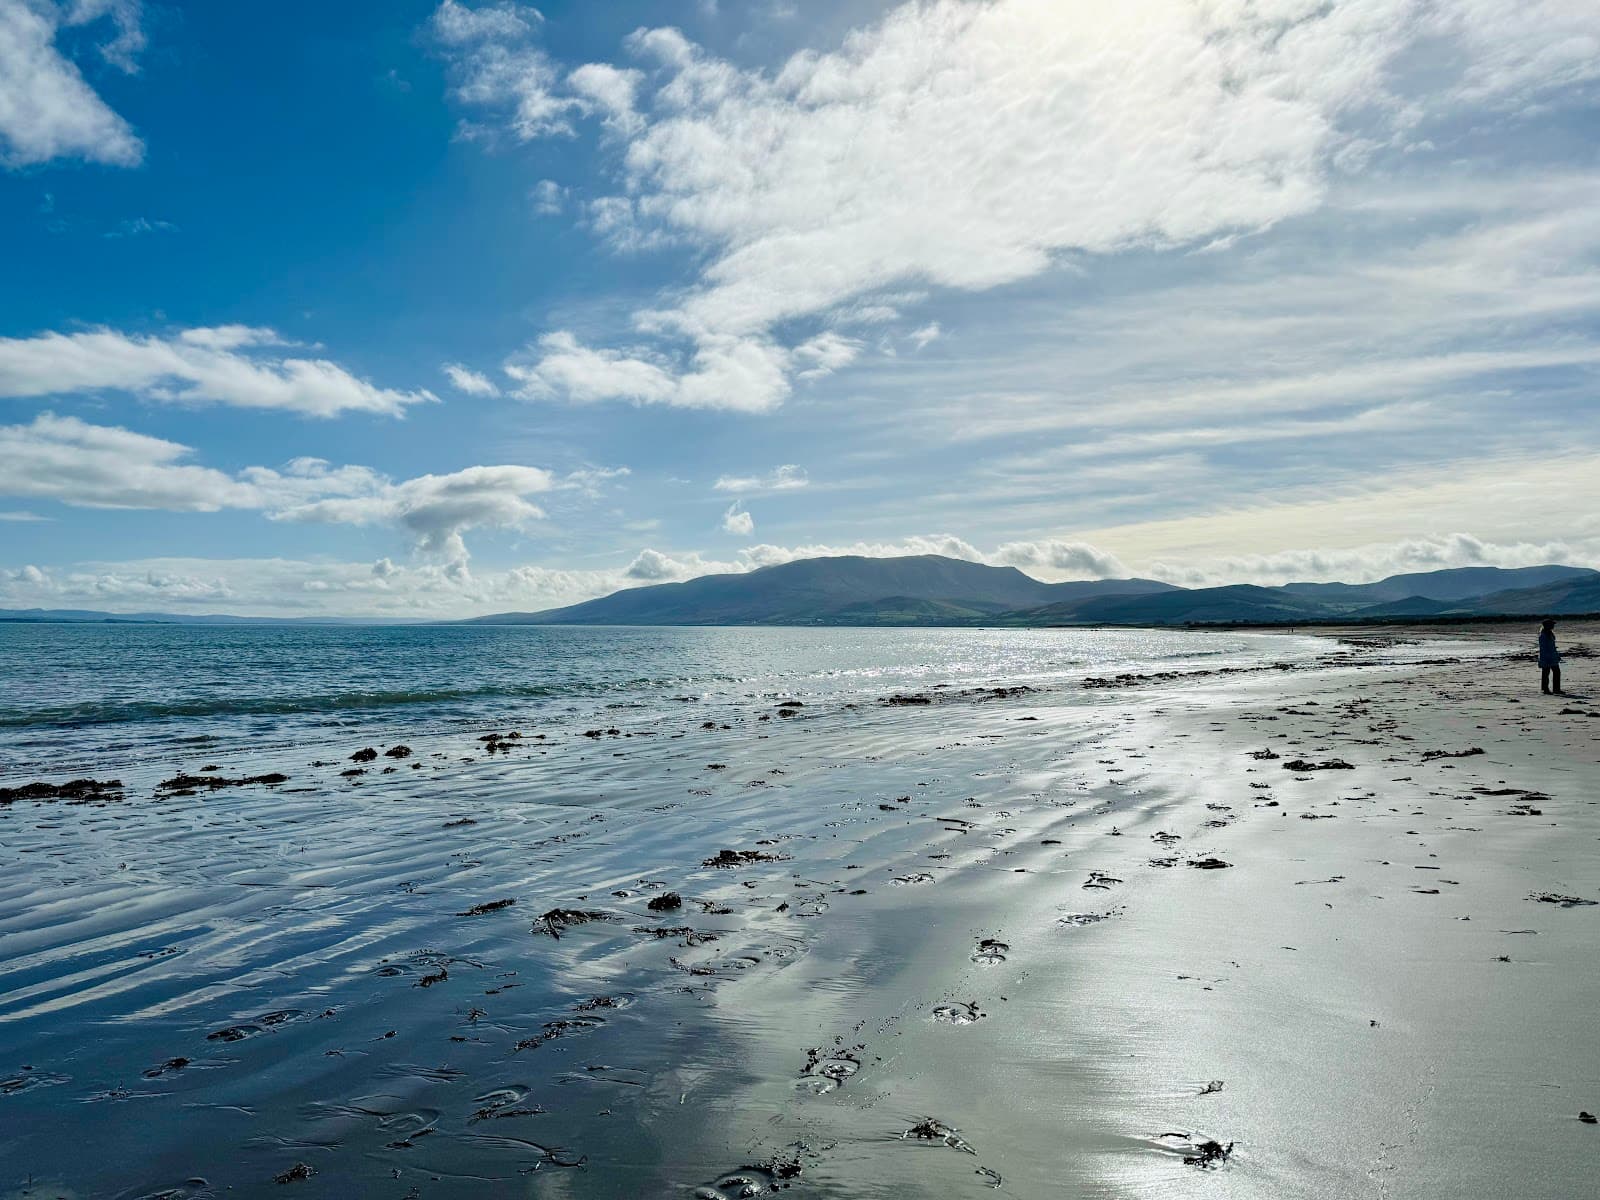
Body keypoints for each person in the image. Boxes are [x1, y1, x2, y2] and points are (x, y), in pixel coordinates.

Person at [1538, 618, 1562, 695]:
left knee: (1555, 672)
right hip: (1547, 657)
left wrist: (1556, 655)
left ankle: (1555, 689)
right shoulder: (1543, 635)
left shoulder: (1550, 634)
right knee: (1547, 673)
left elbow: (1552, 647)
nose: (1553, 625)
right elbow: (1543, 649)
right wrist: (1546, 658)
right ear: (1547, 625)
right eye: (1552, 624)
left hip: (1552, 656)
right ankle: (1546, 689)